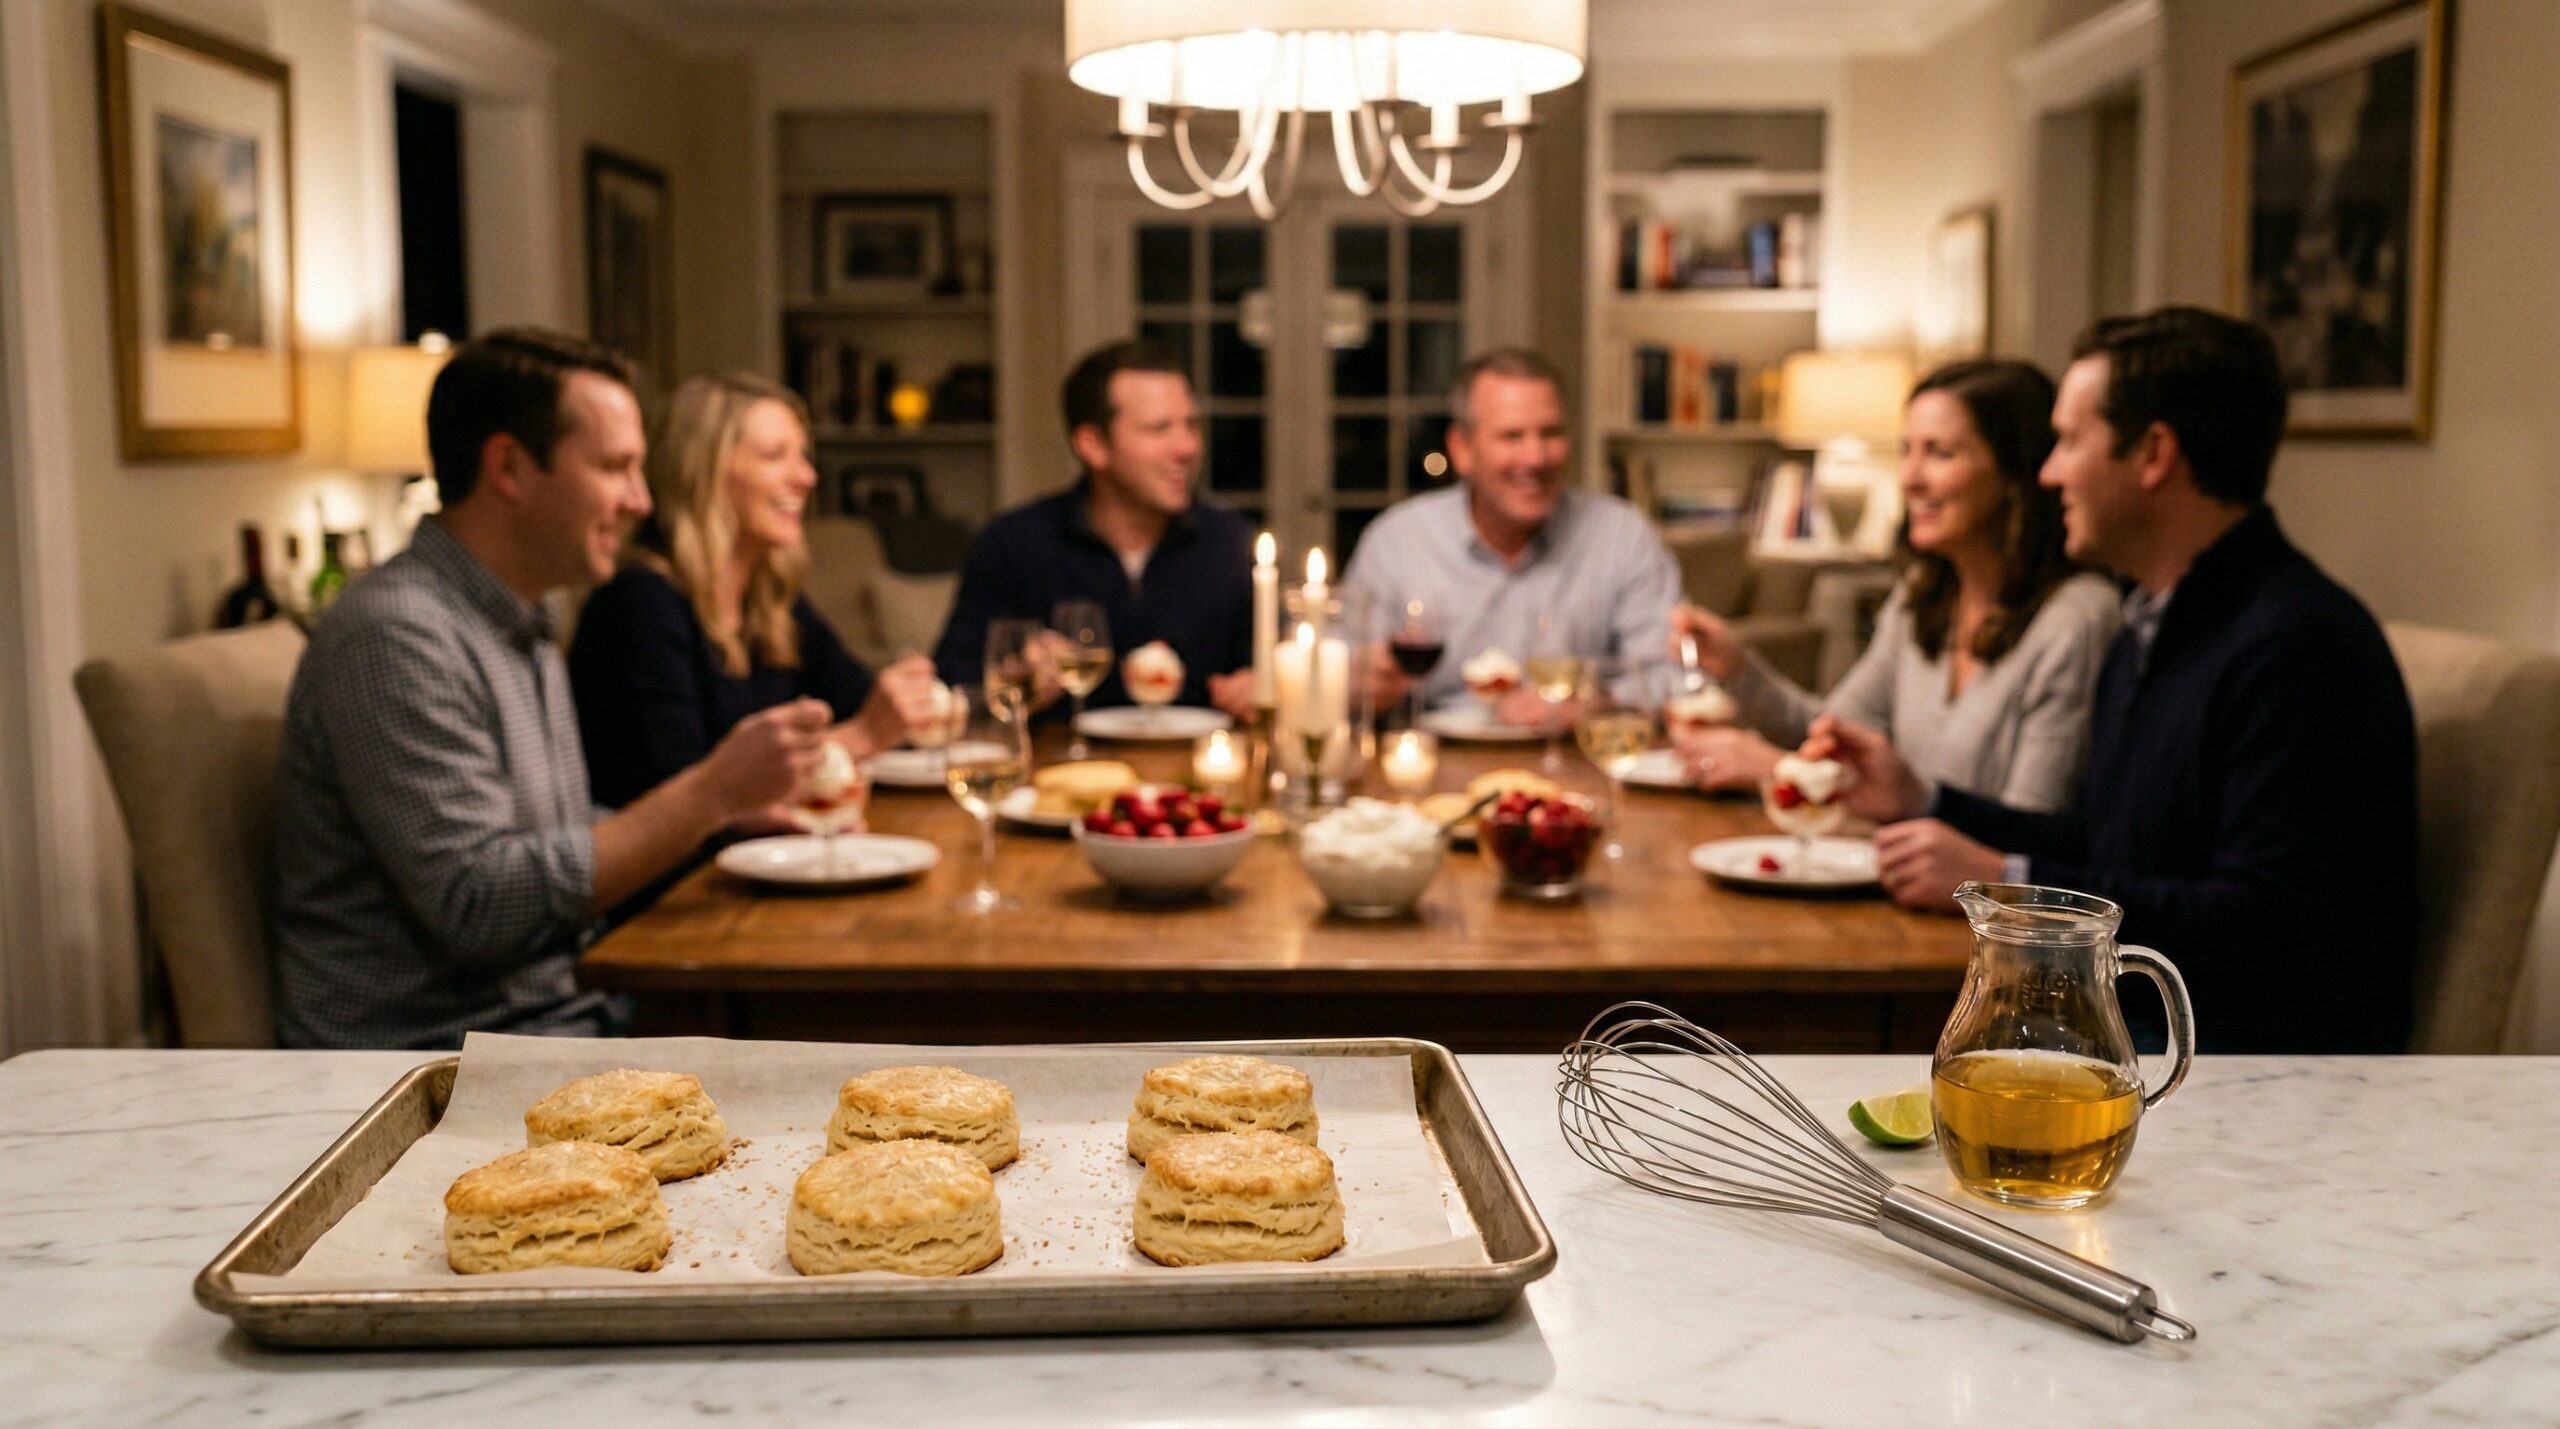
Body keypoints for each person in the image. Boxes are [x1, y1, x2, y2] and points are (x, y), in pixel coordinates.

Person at [1815, 307, 2416, 1053]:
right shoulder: (2155, 627)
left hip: (2245, 1077)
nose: (2048, 471)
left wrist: (2011, 883)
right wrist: (1927, 800)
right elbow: (2110, 845)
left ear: (2154, 455)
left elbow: (2261, 925)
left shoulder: (2298, 646)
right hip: (2134, 1041)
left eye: (2069, 441)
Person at [271, 330, 830, 1050]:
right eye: (615, 467)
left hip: (561, 1016)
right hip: (439, 1059)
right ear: (509, 467)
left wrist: (716, 822)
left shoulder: (521, 613)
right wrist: (707, 795)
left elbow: (545, 836)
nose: (638, 499)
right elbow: (476, 907)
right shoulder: (397, 635)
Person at [1670, 360, 2120, 812]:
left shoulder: (2076, 618)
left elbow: (2033, 831)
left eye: (1940, 453)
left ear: (2014, 473)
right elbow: (1831, 730)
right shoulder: (1922, 597)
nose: (1909, 478)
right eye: (1907, 450)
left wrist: (1779, 771)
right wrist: (1736, 668)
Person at [568, 373, 943, 812]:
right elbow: (674, 802)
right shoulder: (639, 603)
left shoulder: (771, 598)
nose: (806, 477)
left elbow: (859, 700)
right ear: (701, 473)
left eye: (803, 457)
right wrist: (860, 737)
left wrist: (915, 706)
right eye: (774, 456)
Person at [1346, 348, 1680, 720]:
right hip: (1430, 763)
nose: (1535, 458)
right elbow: (1337, 670)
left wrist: (1596, 704)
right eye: (1512, 436)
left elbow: (1670, 675)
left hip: (1572, 765)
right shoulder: (1399, 541)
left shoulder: (1622, 536)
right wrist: (1360, 684)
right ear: (1462, 450)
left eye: (1550, 433)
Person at [932, 339, 1256, 717]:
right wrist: (1015, 683)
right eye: (1159, 429)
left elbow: (1268, 667)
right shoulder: (1014, 544)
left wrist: (1263, 685)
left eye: (1190, 425)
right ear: (1093, 446)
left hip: (1198, 769)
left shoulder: (1229, 541)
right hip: (1056, 770)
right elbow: (950, 695)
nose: (1186, 447)